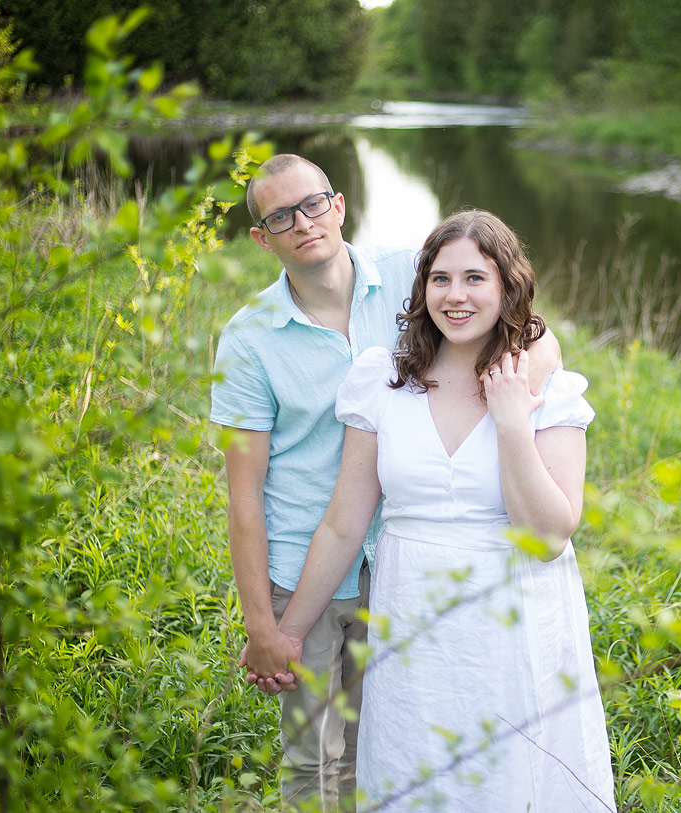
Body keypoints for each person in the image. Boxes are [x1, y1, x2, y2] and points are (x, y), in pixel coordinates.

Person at [211, 157, 561, 809]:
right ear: (261, 238)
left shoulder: (413, 276)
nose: (303, 223)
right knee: (313, 759)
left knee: (391, 746)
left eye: (313, 204)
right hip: (307, 566)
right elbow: (242, 496)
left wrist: (518, 392)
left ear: (339, 204)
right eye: (280, 216)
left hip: (400, 567)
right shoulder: (247, 340)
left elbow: (531, 330)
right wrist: (264, 623)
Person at [262, 210, 615, 811]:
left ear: (507, 287)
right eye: (440, 278)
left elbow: (551, 534)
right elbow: (344, 523)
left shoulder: (544, 389)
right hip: (414, 624)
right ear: (421, 288)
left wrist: (510, 423)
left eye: (475, 279)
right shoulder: (385, 382)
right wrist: (287, 631)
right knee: (416, 773)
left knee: (512, 776)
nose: (456, 296)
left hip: (513, 620)